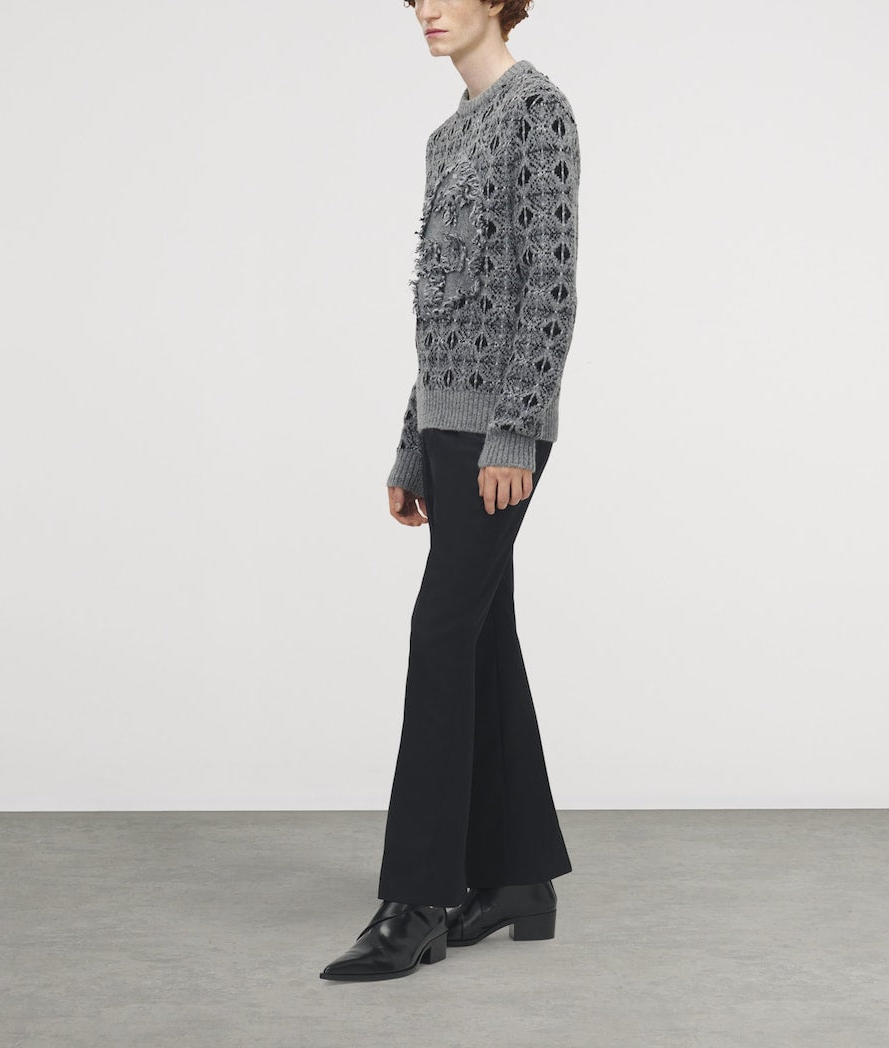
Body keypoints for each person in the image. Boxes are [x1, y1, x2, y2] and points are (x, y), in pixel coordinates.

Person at [320, 0, 580, 981]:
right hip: (445, 429)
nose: (427, 8)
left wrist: (513, 428)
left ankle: (418, 897)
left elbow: (547, 287)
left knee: (440, 638)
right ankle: (519, 880)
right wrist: (410, 447)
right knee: (479, 637)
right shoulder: (448, 136)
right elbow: (439, 306)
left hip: (498, 434)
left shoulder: (538, 110)